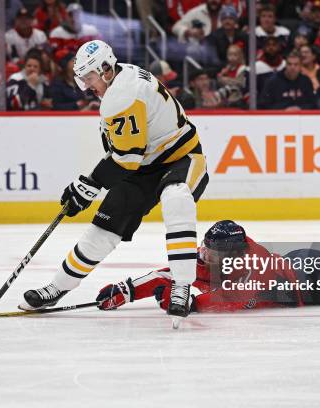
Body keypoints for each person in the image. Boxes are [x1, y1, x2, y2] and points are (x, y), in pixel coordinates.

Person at [19, 40, 209, 329]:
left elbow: (127, 158)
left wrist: (90, 184)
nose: (86, 86)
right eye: (82, 79)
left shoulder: (121, 95)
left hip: (181, 158)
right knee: (103, 229)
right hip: (143, 165)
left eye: (89, 77)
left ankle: (181, 286)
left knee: (176, 198)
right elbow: (126, 154)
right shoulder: (122, 79)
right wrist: (88, 186)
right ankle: (57, 287)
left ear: (106, 70)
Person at [96, 173, 320, 314]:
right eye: (206, 248)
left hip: (317, 280)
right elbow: (168, 273)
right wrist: (126, 290)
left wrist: (194, 300)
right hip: (303, 267)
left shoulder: (255, 266)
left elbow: (232, 300)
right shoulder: (216, 256)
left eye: (213, 252)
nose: (205, 255)